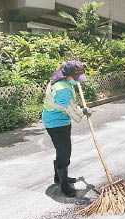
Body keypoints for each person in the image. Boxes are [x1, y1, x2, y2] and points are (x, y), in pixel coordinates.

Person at [43, 61, 91, 197]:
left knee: (61, 150)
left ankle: (59, 177)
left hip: (58, 119)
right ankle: (64, 186)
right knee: (64, 152)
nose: (77, 82)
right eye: (76, 79)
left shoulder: (59, 78)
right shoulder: (62, 89)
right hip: (56, 123)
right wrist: (84, 111)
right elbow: (75, 115)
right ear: (68, 76)